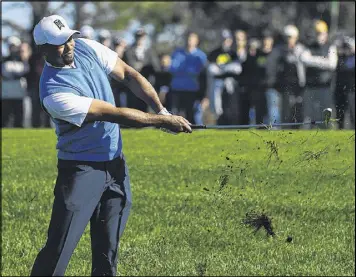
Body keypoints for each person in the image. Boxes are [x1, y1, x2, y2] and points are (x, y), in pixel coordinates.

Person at [29, 15, 192, 276]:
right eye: (61, 43)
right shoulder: (53, 91)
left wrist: (161, 109)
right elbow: (112, 113)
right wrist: (160, 121)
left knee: (108, 252)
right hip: (81, 170)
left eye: (70, 38)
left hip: (116, 163)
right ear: (44, 50)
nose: (70, 45)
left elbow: (128, 74)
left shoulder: (87, 47)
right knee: (58, 250)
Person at [265, 25, 307, 128]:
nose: (289, 39)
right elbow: (271, 67)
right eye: (287, 37)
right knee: (284, 114)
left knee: (297, 113)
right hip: (282, 88)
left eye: (291, 37)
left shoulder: (301, 50)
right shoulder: (277, 51)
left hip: (298, 87)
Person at [300, 20, 338, 129]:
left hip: (325, 87)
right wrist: (323, 61)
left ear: (326, 33)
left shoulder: (331, 47)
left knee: (326, 119)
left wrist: (313, 60)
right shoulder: (309, 46)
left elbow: (332, 64)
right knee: (308, 118)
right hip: (310, 87)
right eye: (317, 33)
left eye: (320, 33)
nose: (318, 36)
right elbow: (304, 59)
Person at [169, 31, 207, 124]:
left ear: (197, 41)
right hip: (176, 88)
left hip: (192, 90)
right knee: (174, 114)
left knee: (192, 115)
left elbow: (200, 74)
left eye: (192, 39)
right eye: (188, 39)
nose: (189, 41)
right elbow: (172, 68)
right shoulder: (177, 53)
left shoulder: (201, 56)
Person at [207, 29, 241, 124]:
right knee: (217, 104)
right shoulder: (214, 53)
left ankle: (231, 121)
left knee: (231, 102)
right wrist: (227, 68)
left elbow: (237, 69)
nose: (225, 41)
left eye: (227, 39)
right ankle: (219, 120)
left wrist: (222, 68)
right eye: (223, 39)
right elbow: (212, 70)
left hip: (229, 82)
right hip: (217, 82)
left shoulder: (233, 53)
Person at [123, 28, 160, 112]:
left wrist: (143, 66)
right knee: (132, 108)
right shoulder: (128, 51)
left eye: (141, 37)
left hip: (146, 83)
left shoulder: (150, 51)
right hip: (132, 84)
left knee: (145, 108)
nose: (139, 39)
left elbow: (156, 67)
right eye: (138, 36)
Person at [1, 36, 30, 128]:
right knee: (5, 117)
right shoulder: (4, 60)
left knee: (19, 116)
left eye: (14, 46)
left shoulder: (24, 61)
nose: (12, 48)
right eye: (10, 46)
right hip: (6, 93)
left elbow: (26, 72)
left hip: (19, 93)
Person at [334, 35, 355, 129]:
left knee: (353, 114)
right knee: (340, 114)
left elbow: (348, 66)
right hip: (340, 89)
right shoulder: (340, 57)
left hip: (351, 90)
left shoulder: (352, 58)